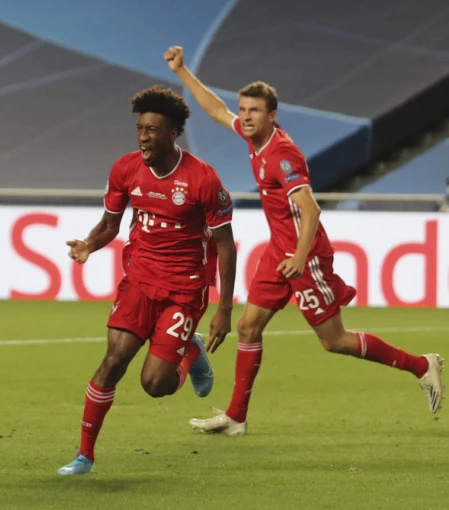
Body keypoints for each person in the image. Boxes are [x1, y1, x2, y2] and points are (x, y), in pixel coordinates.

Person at [164, 46, 444, 435]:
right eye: (243, 109)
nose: (245, 116)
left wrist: (299, 257)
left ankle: (421, 365)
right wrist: (182, 71)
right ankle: (236, 418)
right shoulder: (255, 139)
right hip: (279, 252)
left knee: (334, 340)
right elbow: (216, 110)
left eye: (254, 110)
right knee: (248, 326)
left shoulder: (283, 156)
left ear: (272, 115)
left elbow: (311, 210)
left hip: (305, 256)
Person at [56, 85, 237, 475]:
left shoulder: (202, 179)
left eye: (152, 130)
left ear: (173, 133)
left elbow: (225, 245)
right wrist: (89, 244)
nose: (142, 137)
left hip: (184, 289)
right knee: (112, 362)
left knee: (155, 385)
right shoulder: (125, 168)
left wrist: (224, 309)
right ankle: (85, 455)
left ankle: (191, 353)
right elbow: (110, 224)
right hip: (139, 280)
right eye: (139, 129)